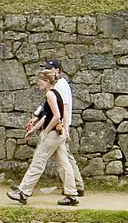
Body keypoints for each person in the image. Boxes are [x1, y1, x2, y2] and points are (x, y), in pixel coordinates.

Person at [7, 64, 79, 206]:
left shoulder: (50, 94)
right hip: (59, 133)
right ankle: (71, 194)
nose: (38, 83)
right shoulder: (56, 94)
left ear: (47, 81)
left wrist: (45, 131)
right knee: (64, 163)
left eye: (40, 81)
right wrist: (34, 129)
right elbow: (48, 115)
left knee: (38, 162)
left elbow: (56, 116)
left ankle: (23, 192)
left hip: (52, 135)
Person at [50, 58, 85, 197]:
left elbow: (63, 107)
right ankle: (76, 185)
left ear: (57, 70)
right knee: (65, 157)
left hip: (59, 127)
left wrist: (64, 128)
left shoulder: (61, 86)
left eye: (50, 69)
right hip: (60, 126)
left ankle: (76, 186)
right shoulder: (59, 85)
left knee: (62, 158)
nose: (48, 72)